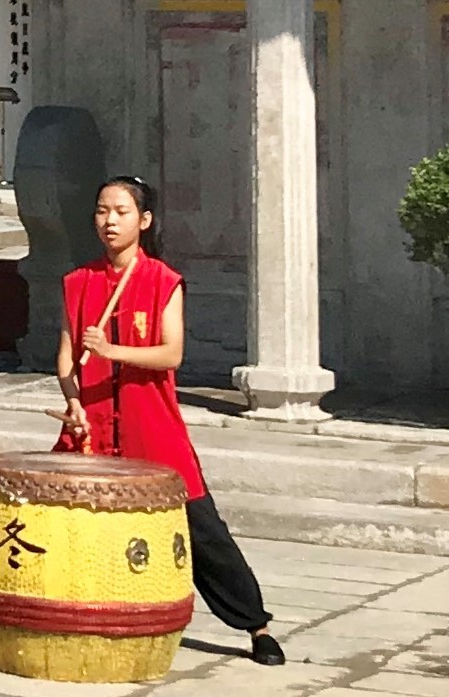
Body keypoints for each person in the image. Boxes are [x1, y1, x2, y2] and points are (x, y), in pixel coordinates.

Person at [58, 177, 284, 666]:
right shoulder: (78, 282)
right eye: (101, 211)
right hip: (93, 424)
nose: (109, 221)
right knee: (67, 524)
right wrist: (73, 401)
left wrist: (111, 350)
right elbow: (64, 359)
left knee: (203, 529)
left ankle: (256, 624)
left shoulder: (163, 281)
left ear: (144, 221)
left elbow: (170, 354)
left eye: (120, 211)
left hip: (151, 426)